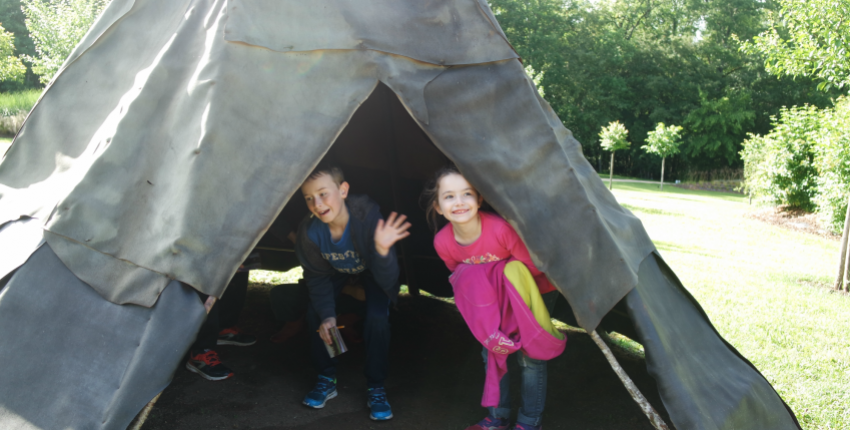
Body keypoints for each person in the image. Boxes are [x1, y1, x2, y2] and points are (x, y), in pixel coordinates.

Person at [422, 165, 565, 430]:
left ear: (479, 199)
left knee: (530, 357)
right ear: (438, 206)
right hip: (494, 300)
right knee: (492, 351)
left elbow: (531, 270)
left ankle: (529, 422)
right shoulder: (443, 242)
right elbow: (463, 277)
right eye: (449, 196)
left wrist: (494, 277)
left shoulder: (500, 230)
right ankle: (497, 417)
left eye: (467, 193)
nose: (459, 202)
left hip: (532, 291)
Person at [294, 164, 410, 421]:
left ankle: (375, 385)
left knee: (378, 317)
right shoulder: (310, 231)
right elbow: (317, 276)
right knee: (318, 315)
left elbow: (388, 279)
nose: (317, 203)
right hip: (334, 272)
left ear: (343, 190)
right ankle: (328, 375)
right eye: (309, 198)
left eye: (323, 193)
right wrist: (328, 315)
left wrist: (381, 252)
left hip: (372, 269)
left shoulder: (367, 218)